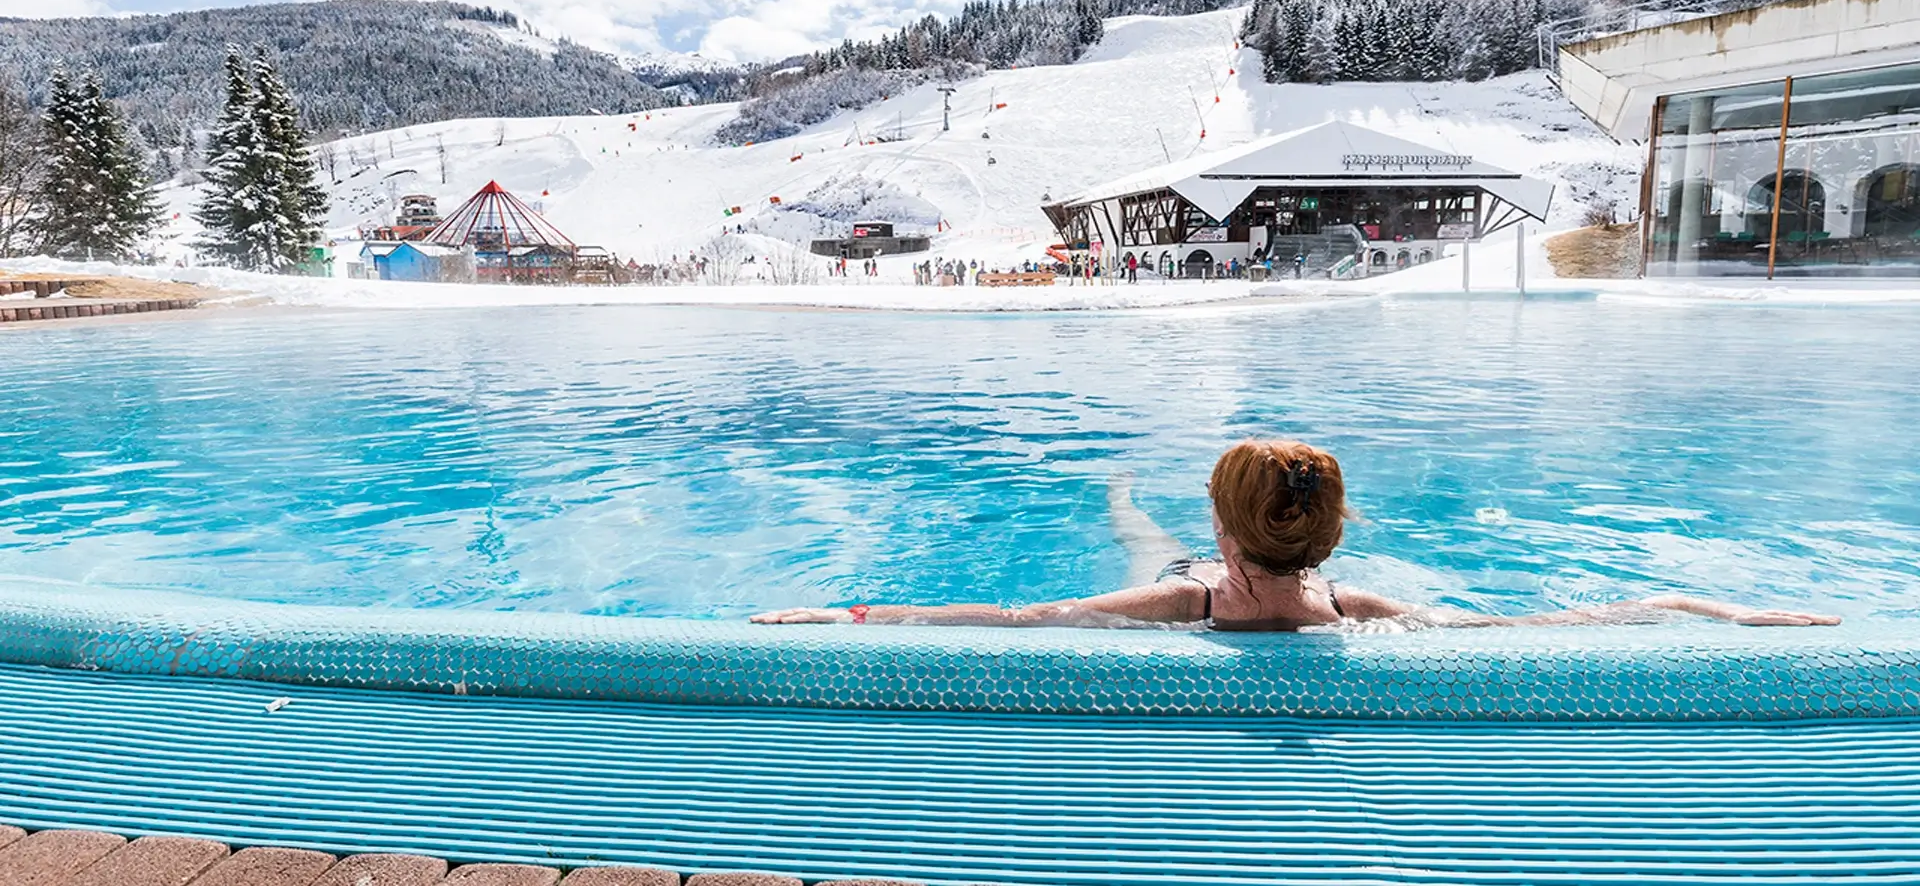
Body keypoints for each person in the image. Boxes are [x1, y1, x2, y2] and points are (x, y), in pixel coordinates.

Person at [752, 439, 1841, 632]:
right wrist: (1711, 604)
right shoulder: (1356, 607)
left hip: (1181, 581)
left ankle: (1121, 495)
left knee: (1137, 537)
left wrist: (846, 612)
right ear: (1324, 541)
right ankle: (1127, 498)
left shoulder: (1189, 596)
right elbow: (1555, 615)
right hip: (1264, 574)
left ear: (1228, 538)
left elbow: (1018, 615)